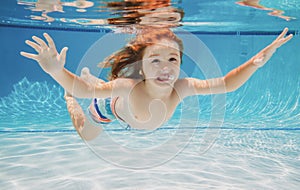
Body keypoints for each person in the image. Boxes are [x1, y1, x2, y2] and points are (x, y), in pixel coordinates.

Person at [20, 27, 293, 140]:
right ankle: (67, 100)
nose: (166, 68)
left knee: (99, 86)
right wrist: (56, 70)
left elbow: (226, 84)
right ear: (141, 66)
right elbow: (84, 90)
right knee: (87, 133)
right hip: (110, 109)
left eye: (173, 59)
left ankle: (94, 79)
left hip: (125, 104)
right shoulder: (129, 87)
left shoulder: (182, 88)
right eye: (155, 61)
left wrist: (258, 60)